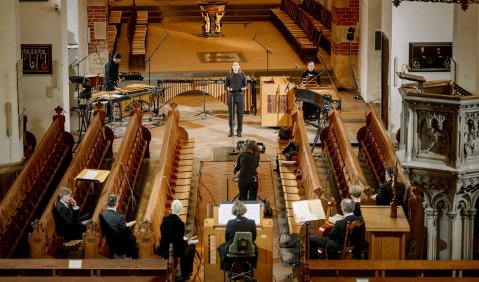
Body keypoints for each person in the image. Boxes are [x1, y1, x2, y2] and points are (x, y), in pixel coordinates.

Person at [159, 200, 196, 281]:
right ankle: (186, 274)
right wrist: (188, 242)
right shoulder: (180, 223)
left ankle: (185, 273)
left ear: (171, 208)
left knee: (186, 246)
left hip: (163, 248)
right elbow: (180, 241)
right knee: (192, 247)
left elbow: (163, 234)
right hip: (174, 249)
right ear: (180, 210)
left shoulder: (164, 219)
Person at [218, 201, 258, 271]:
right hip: (248, 249)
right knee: (255, 247)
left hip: (232, 250)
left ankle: (228, 268)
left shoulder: (230, 223)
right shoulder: (252, 222)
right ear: (244, 209)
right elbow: (253, 238)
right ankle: (250, 267)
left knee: (220, 247)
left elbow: (226, 238)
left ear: (234, 210)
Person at [99, 194, 139, 259]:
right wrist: (127, 227)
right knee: (132, 239)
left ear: (107, 204)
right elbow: (126, 234)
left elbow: (103, 232)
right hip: (120, 247)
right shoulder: (119, 217)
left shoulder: (102, 215)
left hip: (110, 244)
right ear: (117, 204)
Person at [224, 61, 247, 137]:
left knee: (240, 115)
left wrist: (244, 88)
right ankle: (231, 131)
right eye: (234, 65)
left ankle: (239, 131)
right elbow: (225, 86)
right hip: (232, 96)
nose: (235, 66)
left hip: (240, 96)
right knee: (231, 115)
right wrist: (227, 89)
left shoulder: (243, 75)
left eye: (237, 65)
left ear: (239, 67)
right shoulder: (229, 75)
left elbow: (246, 85)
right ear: (232, 67)